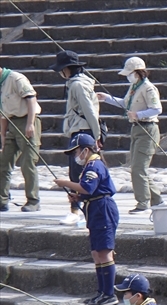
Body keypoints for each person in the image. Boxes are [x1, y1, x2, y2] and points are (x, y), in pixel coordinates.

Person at [53, 134, 119, 305]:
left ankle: (109, 294)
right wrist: (77, 197)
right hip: (94, 209)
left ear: (86, 150)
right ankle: (101, 291)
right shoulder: (90, 165)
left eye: (76, 152)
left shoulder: (94, 165)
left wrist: (65, 183)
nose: (76, 156)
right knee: (96, 253)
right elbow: (87, 192)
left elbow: (87, 187)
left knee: (104, 252)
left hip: (103, 210)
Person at [97, 57, 164, 214]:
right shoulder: (134, 87)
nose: (128, 76)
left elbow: (156, 109)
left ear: (138, 72)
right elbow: (126, 104)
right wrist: (106, 99)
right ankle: (157, 199)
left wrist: (138, 115)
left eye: (130, 73)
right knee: (137, 167)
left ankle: (143, 203)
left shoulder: (148, 88)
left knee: (138, 168)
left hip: (148, 129)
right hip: (137, 129)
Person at [50, 50, 102, 225]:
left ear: (67, 69)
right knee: (78, 171)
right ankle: (81, 209)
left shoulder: (77, 85)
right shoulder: (77, 83)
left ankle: (76, 211)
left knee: (77, 172)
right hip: (81, 132)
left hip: (83, 133)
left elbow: (89, 111)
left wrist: (96, 136)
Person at [0, 66, 42, 212]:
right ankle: (2, 199)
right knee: (3, 162)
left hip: (26, 120)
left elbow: (31, 99)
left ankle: (33, 200)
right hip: (10, 122)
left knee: (27, 162)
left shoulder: (16, 78)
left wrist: (30, 124)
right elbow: (2, 111)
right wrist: (3, 134)